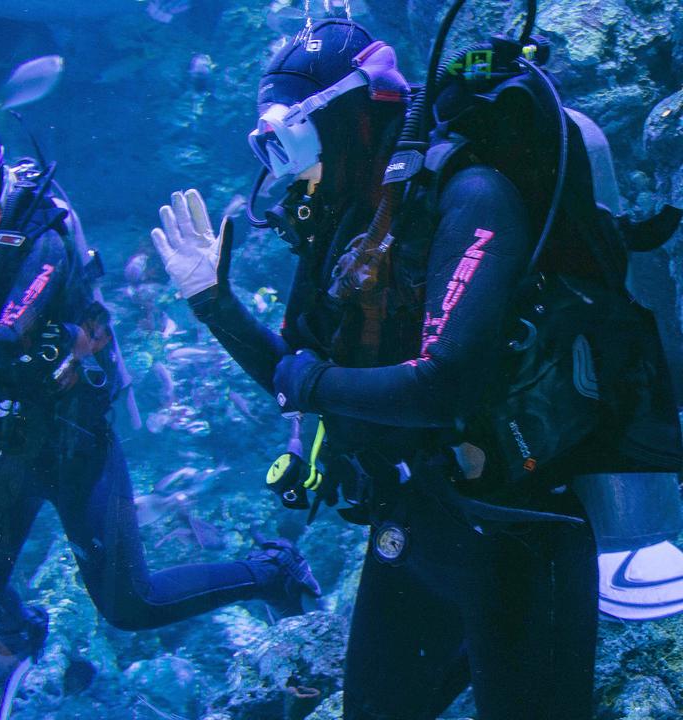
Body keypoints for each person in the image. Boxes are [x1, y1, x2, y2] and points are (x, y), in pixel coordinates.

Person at [150, 17, 682, 719]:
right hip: (414, 520)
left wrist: (304, 382)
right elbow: (306, 383)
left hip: (519, 536)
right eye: (265, 143)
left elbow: (441, 385)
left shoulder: (472, 194)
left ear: (341, 118)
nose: (275, 165)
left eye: (284, 137)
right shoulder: (349, 223)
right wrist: (214, 303)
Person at [0, 118, 322, 720]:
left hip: (73, 441)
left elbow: (15, 334)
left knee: (129, 605)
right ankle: (21, 633)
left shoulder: (42, 231)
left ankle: (273, 573)